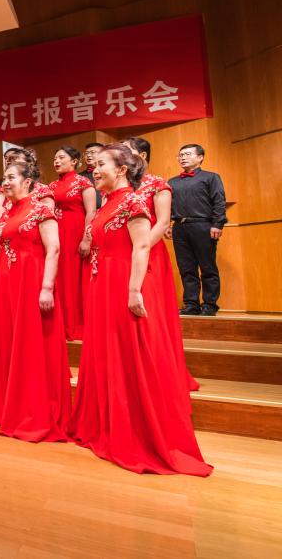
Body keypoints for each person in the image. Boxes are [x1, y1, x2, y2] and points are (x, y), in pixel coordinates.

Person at [69, 144, 212, 476]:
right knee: (109, 353)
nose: (94, 169)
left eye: (101, 164)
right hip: (102, 284)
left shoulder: (131, 202)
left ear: (121, 170)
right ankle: (106, 423)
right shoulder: (108, 202)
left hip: (123, 282)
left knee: (131, 354)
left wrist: (134, 289)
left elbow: (143, 245)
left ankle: (135, 431)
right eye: (94, 164)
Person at [0, 162, 70, 442]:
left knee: (31, 342)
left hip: (31, 281)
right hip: (5, 285)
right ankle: (6, 406)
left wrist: (47, 287)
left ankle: (33, 409)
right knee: (6, 343)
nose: (6, 182)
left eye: (12, 177)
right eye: (4, 178)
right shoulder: (6, 214)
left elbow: (54, 249)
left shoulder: (41, 210)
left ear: (28, 181)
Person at [124, 137, 199, 392]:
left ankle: (158, 372)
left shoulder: (157, 184)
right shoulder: (121, 186)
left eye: (126, 150)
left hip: (149, 254)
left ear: (142, 155)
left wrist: (140, 248)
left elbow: (163, 222)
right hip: (124, 256)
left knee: (150, 314)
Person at [168, 143, 226, 316]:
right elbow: (169, 205)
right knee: (186, 268)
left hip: (203, 226)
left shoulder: (211, 177)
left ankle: (209, 305)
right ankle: (191, 304)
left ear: (200, 157)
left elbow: (219, 201)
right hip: (179, 227)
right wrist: (168, 224)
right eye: (181, 155)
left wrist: (217, 224)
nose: (183, 158)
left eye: (187, 154)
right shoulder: (172, 182)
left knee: (207, 267)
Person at [49, 146, 97, 342]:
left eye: (61, 157)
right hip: (56, 234)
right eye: (55, 158)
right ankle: (59, 326)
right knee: (58, 277)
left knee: (73, 279)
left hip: (75, 235)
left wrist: (87, 238)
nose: (56, 161)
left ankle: (76, 326)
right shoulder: (51, 185)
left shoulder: (83, 182)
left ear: (75, 161)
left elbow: (91, 212)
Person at [82, 142, 104, 209]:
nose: (88, 155)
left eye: (92, 152)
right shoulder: (79, 177)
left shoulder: (109, 173)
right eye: (86, 153)